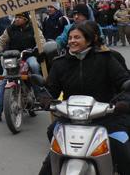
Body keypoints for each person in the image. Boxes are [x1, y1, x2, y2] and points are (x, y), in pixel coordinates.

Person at [38, 22, 130, 175]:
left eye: (77, 37)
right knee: (48, 163)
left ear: (88, 40)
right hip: (70, 119)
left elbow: (124, 83)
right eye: (70, 37)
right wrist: (44, 99)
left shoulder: (106, 59)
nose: (72, 41)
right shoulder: (60, 64)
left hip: (107, 118)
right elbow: (49, 90)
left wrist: (123, 103)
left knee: (123, 152)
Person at [0, 12, 45, 123]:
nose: (16, 19)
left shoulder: (34, 28)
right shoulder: (10, 29)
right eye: (15, 17)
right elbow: (2, 41)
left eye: (19, 17)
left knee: (34, 65)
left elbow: (41, 40)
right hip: (13, 59)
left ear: (26, 19)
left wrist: (38, 48)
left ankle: (39, 95)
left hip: (28, 56)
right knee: (2, 82)